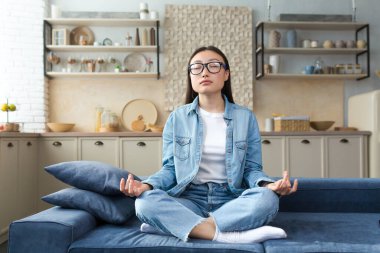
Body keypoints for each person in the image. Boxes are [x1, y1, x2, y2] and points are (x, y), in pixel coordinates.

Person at [120, 45, 298, 243]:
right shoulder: (177, 118)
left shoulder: (245, 118)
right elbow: (170, 169)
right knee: (145, 204)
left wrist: (268, 184)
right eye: (196, 67)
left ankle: (180, 226)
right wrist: (146, 186)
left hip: (231, 199)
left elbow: (251, 169)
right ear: (191, 76)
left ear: (226, 74)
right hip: (190, 198)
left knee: (267, 200)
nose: (204, 72)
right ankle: (227, 235)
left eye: (213, 66)